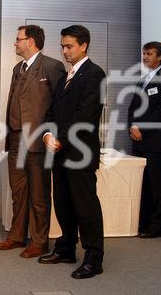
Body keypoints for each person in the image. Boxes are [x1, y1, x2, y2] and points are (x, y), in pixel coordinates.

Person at [39, 25, 105, 279]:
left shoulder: (94, 74)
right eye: (63, 46)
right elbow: (52, 111)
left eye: (69, 46)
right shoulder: (68, 75)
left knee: (85, 207)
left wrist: (61, 139)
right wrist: (47, 134)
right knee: (64, 204)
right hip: (59, 151)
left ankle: (94, 258)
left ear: (84, 45)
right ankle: (66, 248)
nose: (64, 50)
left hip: (80, 153)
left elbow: (85, 116)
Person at [0, 25, 65, 258]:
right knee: (19, 191)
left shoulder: (52, 67)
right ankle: (16, 236)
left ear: (31, 41)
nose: (15, 43)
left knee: (39, 193)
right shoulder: (18, 68)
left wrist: (52, 134)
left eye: (18, 39)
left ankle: (39, 241)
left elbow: (59, 106)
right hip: (15, 138)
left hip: (37, 140)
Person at [128, 41, 161, 238]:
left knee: (156, 185)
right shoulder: (143, 79)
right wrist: (132, 127)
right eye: (143, 53)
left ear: (160, 57)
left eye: (149, 54)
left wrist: (142, 128)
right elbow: (133, 107)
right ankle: (143, 223)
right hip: (138, 140)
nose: (145, 57)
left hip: (156, 142)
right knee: (143, 184)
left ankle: (157, 227)